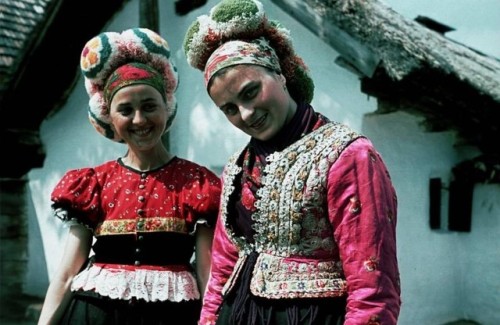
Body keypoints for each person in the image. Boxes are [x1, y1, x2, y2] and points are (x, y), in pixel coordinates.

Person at [183, 0, 401, 324]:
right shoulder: (237, 167)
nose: (245, 114)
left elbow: (373, 289)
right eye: (229, 108)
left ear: (281, 75)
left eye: (250, 91)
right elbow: (223, 269)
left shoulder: (348, 156)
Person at [37, 28, 222, 325]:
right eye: (125, 110)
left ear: (167, 107)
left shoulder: (197, 183)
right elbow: (67, 272)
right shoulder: (92, 184)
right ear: (109, 116)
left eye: (149, 106)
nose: (139, 120)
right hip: (93, 316)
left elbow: (207, 272)